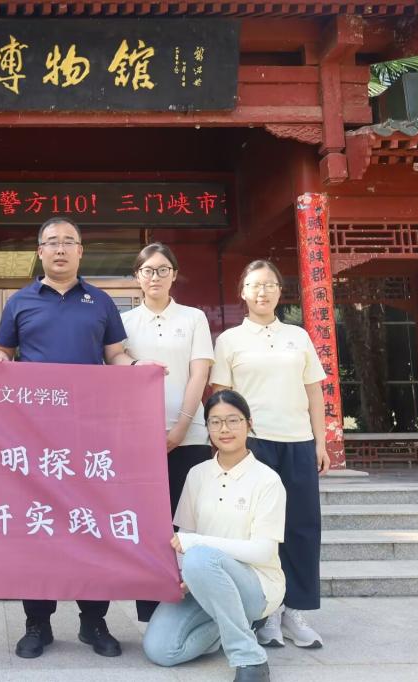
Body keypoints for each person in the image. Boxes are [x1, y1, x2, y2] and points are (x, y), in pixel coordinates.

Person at [0, 216, 159, 660]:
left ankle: (93, 621)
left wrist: (137, 370)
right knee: (37, 526)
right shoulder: (20, 301)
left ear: (81, 251)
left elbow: (115, 354)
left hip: (88, 435)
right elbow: (2, 352)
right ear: (40, 251)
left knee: (90, 523)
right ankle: (37, 622)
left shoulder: (100, 301)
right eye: (52, 242)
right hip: (33, 435)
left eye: (69, 242)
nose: (60, 249)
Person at [210, 259, 330, 650]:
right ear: (242, 292)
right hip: (254, 445)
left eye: (270, 285)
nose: (262, 292)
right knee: (257, 531)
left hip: (297, 442)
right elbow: (222, 399)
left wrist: (320, 442)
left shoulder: (299, 336)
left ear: (281, 291)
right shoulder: (229, 340)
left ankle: (295, 611)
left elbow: (314, 392)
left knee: (301, 527)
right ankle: (266, 612)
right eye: (254, 285)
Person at [143, 389, 286, 682]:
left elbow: (263, 551)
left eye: (233, 420)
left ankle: (250, 658)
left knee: (198, 557)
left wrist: (197, 545)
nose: (224, 429)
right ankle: (235, 625)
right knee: (161, 650)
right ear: (207, 427)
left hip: (255, 585)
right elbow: (185, 535)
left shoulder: (267, 480)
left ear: (249, 423)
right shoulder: (197, 474)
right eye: (215, 422)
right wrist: (184, 574)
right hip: (202, 578)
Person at [121, 243, 214, 624]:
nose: (155, 277)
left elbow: (199, 373)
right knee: (147, 525)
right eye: (147, 270)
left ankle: (192, 608)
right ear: (137, 277)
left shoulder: (194, 318)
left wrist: (180, 426)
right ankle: (150, 615)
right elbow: (116, 367)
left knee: (187, 523)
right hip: (138, 440)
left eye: (162, 269)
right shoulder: (125, 323)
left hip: (189, 436)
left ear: (174, 274)